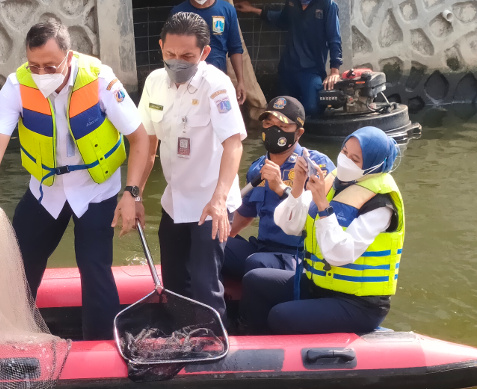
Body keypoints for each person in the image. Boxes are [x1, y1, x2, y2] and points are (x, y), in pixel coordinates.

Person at [0, 20, 148, 341]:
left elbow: (140, 138)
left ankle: (100, 349)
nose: (41, 74)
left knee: (94, 267)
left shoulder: (100, 81)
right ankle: (11, 335)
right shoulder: (17, 86)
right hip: (46, 190)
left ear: (69, 57)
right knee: (20, 264)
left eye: (50, 66)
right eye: (34, 65)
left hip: (97, 188)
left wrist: (132, 193)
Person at [240, 126, 404, 334]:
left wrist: (322, 204)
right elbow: (290, 225)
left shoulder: (381, 204)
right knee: (255, 280)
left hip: (358, 304)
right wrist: (298, 186)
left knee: (281, 315)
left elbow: (339, 254)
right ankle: (248, 342)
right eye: (344, 152)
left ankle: (272, 353)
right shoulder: (335, 180)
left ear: (374, 165)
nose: (345, 160)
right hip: (319, 285)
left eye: (355, 159)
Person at [138, 11, 246, 324]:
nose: (177, 62)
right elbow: (147, 143)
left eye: (187, 56)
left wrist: (220, 199)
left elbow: (233, 144)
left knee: (204, 282)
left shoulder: (216, 85)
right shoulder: (155, 83)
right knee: (173, 280)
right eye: (170, 54)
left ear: (204, 53)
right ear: (161, 47)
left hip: (210, 201)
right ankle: (182, 335)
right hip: (175, 199)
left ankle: (214, 343)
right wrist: (135, 193)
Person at [224, 95, 333, 279]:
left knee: (256, 263)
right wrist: (223, 233)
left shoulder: (316, 165)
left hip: (296, 256)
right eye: (268, 123)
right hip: (262, 248)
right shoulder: (258, 167)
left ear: (298, 133)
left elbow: (318, 212)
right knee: (212, 243)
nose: (274, 130)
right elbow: (245, 214)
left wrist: (282, 189)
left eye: (282, 126)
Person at [235, 0, 342, 116]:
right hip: (287, 70)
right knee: (283, 111)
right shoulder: (292, 3)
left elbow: (334, 39)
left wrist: (334, 71)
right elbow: (281, 20)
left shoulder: (328, 5)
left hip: (311, 70)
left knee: (312, 109)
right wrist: (253, 9)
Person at [170, 0, 246, 104]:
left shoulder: (227, 9)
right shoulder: (178, 12)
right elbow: (172, 49)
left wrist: (240, 81)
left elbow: (235, 48)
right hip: (188, 80)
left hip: (217, 80)